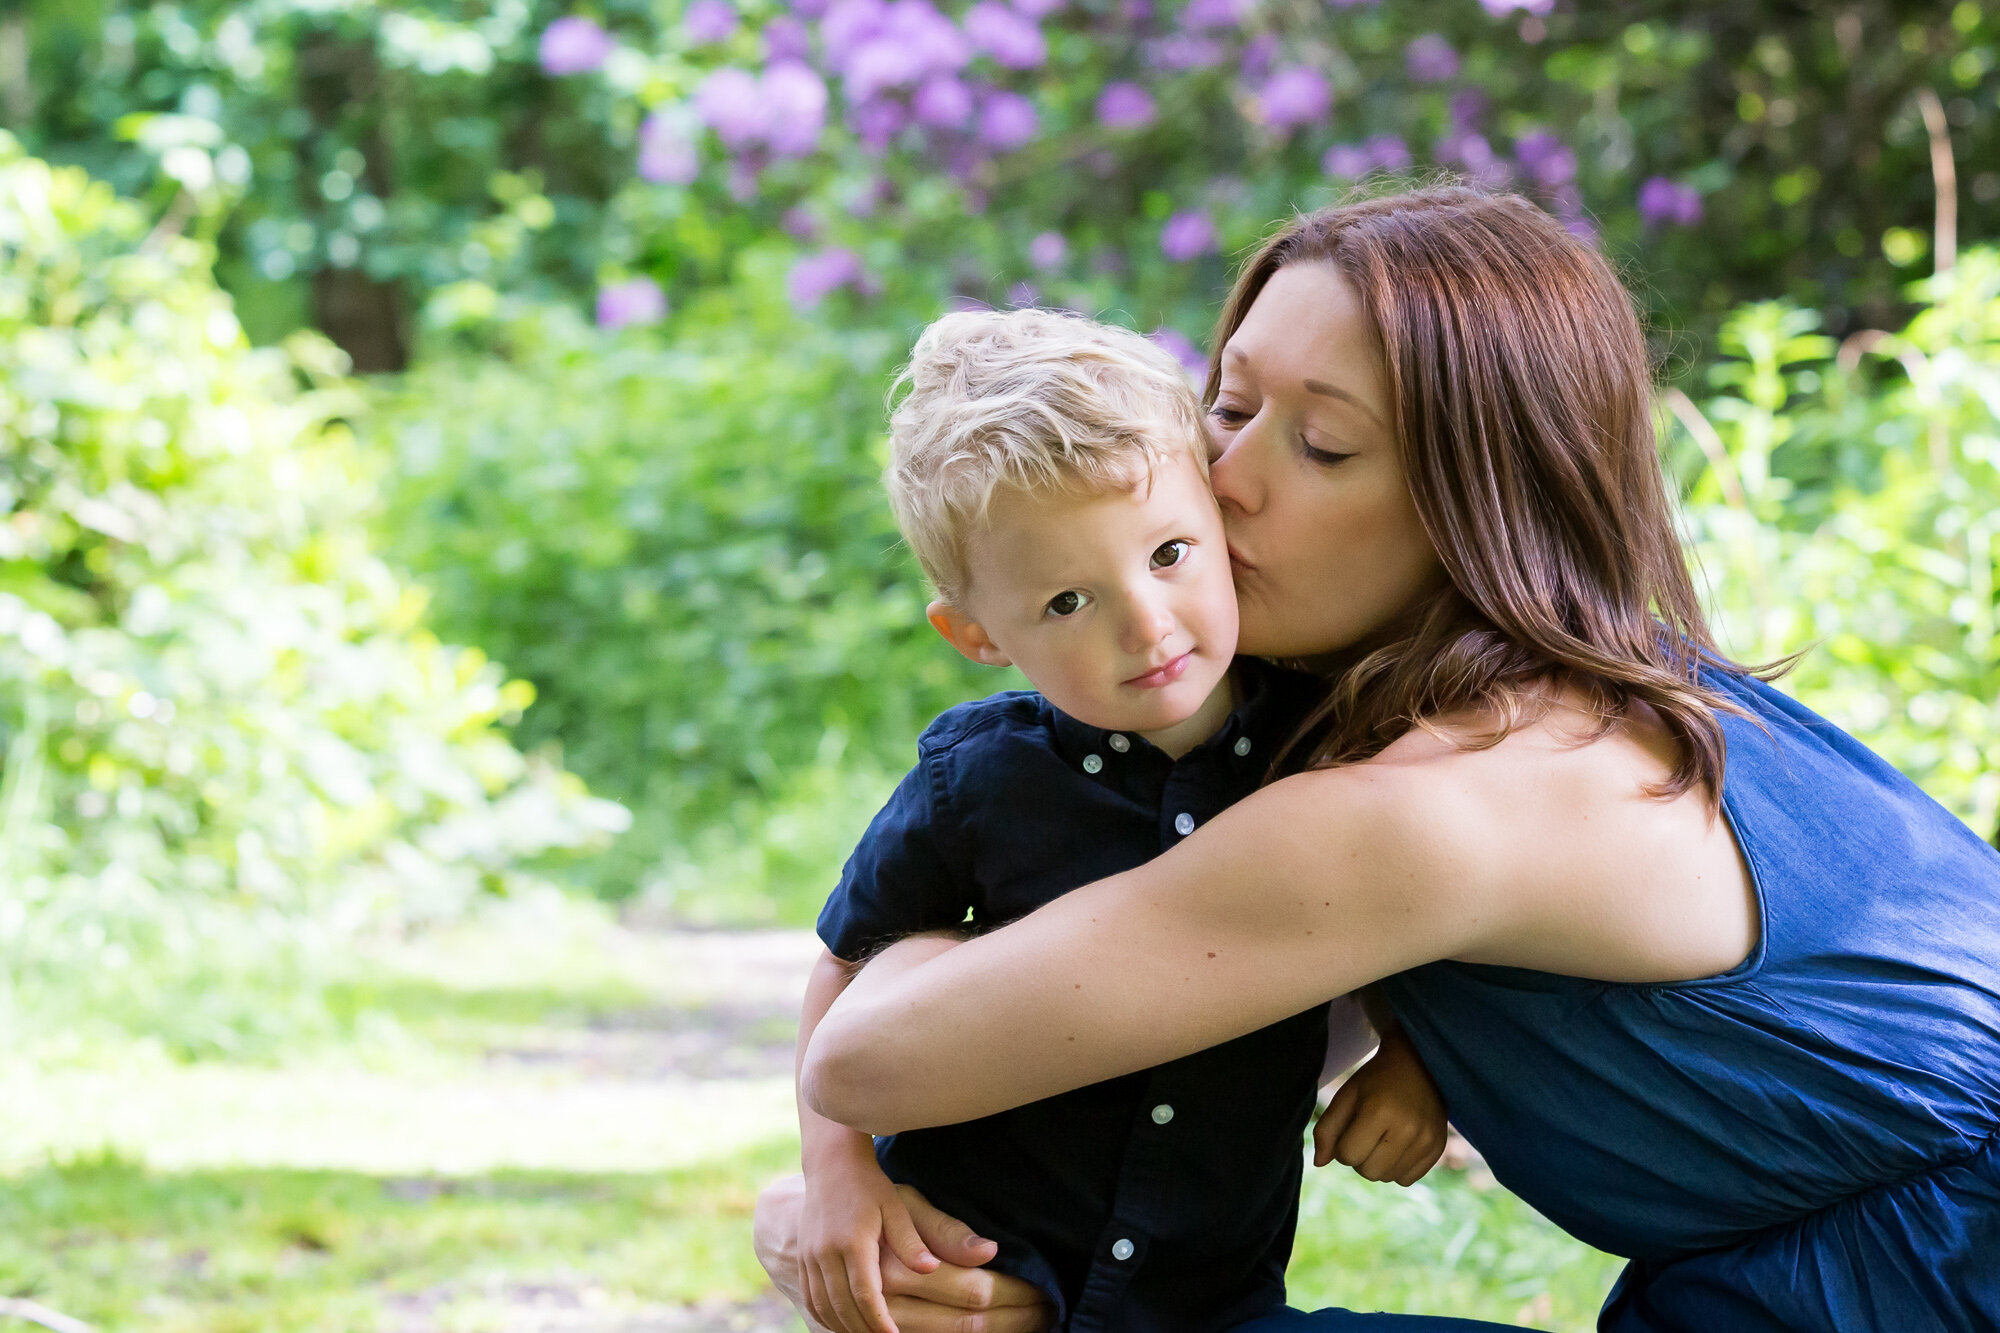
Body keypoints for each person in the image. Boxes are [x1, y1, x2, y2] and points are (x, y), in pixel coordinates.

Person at [785, 187, 2000, 1330]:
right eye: (1225, 405)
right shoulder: (1636, 680)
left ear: (1478, 499)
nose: (1225, 483)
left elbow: (866, 1062)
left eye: (1319, 446)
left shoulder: (1435, 804)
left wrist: (914, 974)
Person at [782, 308, 1448, 1333]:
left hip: (1211, 1299)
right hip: (989, 1279)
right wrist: (832, 1179)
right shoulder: (977, 780)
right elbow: (847, 967)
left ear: (1218, 523)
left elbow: (1391, 910)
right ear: (975, 634)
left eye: (1170, 552)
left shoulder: (1322, 740)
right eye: (1065, 602)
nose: (1144, 621)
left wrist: (1411, 1058)